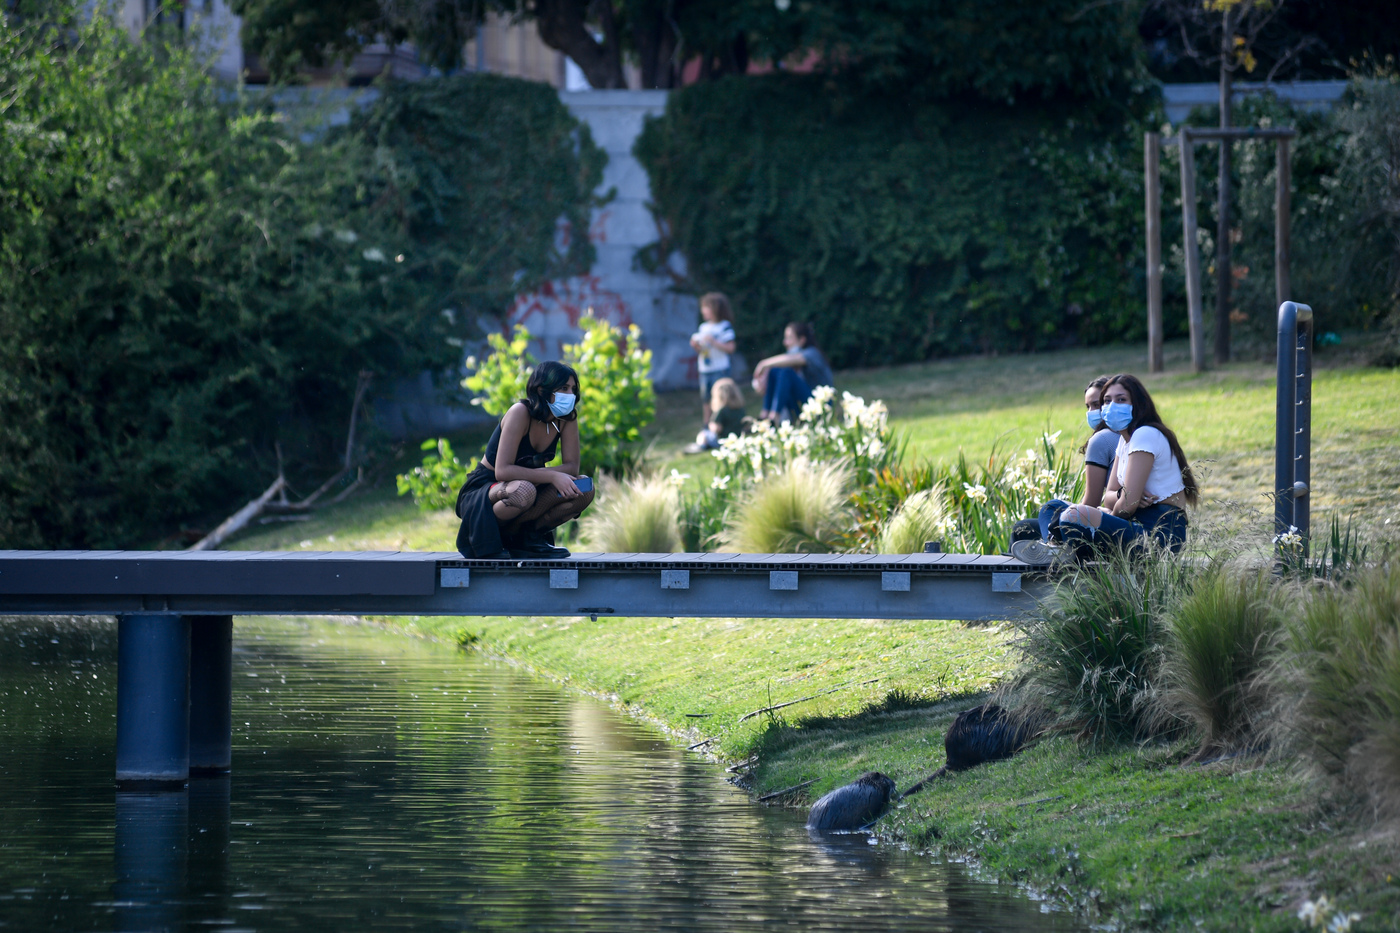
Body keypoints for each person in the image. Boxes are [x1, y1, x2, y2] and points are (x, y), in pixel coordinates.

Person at [1013, 373, 1197, 562]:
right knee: (1052, 507)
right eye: (1107, 401)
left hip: (1158, 534)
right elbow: (1111, 497)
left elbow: (1127, 506)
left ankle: (1056, 551)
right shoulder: (1125, 442)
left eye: (1121, 400)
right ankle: (1054, 549)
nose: (1112, 406)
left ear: (1138, 404)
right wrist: (1118, 501)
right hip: (1131, 524)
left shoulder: (1145, 434)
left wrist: (1112, 509)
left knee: (1074, 515)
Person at [454, 361, 595, 560]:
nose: (570, 394)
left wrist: (553, 477)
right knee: (523, 491)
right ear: (541, 389)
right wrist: (553, 475)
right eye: (564, 388)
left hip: (531, 484)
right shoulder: (520, 412)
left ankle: (527, 537)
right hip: (487, 488)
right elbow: (502, 471)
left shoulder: (566, 418)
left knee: (584, 488)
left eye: (573, 389)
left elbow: (572, 467)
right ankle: (491, 537)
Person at [751, 321, 834, 423]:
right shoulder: (793, 357)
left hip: (820, 407)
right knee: (775, 371)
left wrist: (764, 363)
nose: (785, 342)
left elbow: (792, 359)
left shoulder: (812, 353)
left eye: (789, 338)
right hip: (802, 406)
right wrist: (761, 382)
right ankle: (764, 416)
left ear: (802, 340)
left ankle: (774, 419)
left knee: (786, 373)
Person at [690, 292, 737, 426]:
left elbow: (731, 348)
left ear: (716, 308)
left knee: (722, 398)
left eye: (706, 306)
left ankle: (723, 423)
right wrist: (696, 346)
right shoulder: (703, 327)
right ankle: (707, 425)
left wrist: (714, 341)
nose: (703, 310)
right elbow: (702, 350)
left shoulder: (724, 326)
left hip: (720, 368)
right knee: (706, 399)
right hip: (705, 368)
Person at [1080, 375, 1118, 508]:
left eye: (1096, 405)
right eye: (1088, 407)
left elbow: (1090, 504)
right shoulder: (1132, 433)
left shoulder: (1101, 440)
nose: (1091, 412)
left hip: (1123, 522)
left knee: (1051, 509)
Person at [688, 377, 748, 452]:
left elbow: (717, 429)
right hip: (737, 439)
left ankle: (701, 446)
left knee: (703, 434)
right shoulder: (740, 409)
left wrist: (711, 426)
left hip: (723, 441)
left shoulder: (721, 411)